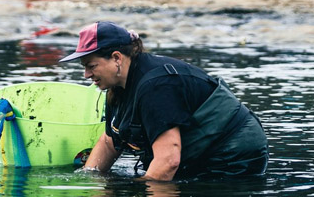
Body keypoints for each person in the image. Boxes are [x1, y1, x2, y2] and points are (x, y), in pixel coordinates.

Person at [61, 21, 268, 181]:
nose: (86, 75)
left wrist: (140, 195)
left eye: (91, 66)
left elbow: (168, 161)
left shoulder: (156, 86)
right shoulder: (116, 86)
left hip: (233, 153)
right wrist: (88, 180)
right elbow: (109, 142)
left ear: (117, 58)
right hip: (196, 152)